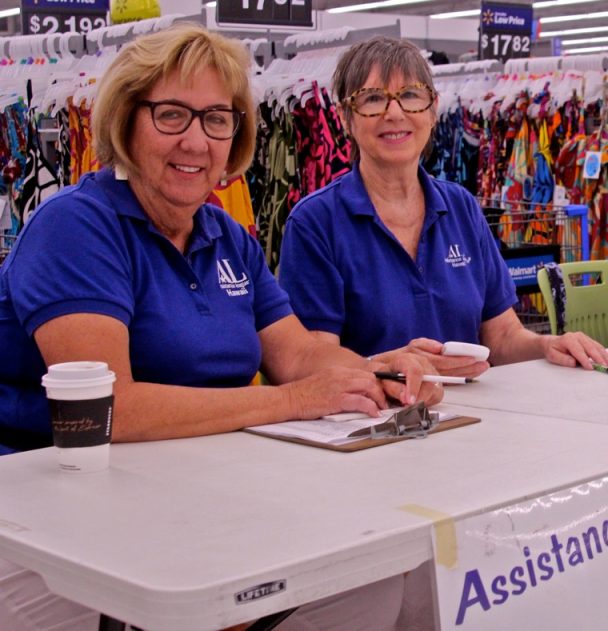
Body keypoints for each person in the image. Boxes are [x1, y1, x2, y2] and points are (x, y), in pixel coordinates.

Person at [0, 24, 439, 629]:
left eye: (216, 119)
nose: (196, 141)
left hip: (194, 502)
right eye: (172, 115)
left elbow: (295, 351)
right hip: (52, 526)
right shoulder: (76, 228)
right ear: (125, 120)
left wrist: (379, 370)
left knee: (386, 572)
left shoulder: (226, 236)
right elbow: (109, 409)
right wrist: (288, 402)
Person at [278, 36, 608, 377]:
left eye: (410, 95)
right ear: (345, 118)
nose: (394, 113)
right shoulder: (315, 224)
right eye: (373, 99)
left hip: (471, 417)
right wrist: (386, 367)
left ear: (433, 108)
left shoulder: (461, 208)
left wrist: (547, 345)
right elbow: (311, 364)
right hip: (372, 423)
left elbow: (501, 336)